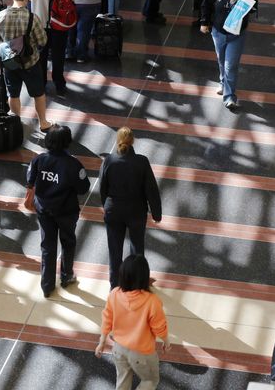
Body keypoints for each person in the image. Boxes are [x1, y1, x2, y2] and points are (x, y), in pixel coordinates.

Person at [25, 125, 90, 298]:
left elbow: (30, 180)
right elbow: (83, 188)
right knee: (68, 242)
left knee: (47, 245)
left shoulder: (38, 160)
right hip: (66, 211)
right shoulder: (73, 164)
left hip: (44, 210)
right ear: (67, 142)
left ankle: (47, 285)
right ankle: (67, 275)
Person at [94, 255, 171, 390]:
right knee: (151, 380)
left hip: (118, 349)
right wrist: (166, 341)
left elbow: (107, 319)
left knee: (122, 379)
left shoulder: (114, 294)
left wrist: (102, 342)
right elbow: (159, 327)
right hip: (142, 353)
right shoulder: (152, 301)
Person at [100, 127, 162, 290]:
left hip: (113, 210)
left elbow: (103, 188)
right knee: (136, 249)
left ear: (117, 140)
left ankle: (115, 285)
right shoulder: (141, 161)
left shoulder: (108, 160)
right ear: (132, 141)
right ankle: (137, 283)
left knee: (114, 250)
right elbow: (151, 189)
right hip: (136, 211)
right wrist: (157, 213)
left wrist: (105, 206)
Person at [0, 0, 51, 132]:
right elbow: (43, 41)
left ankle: (16, 121)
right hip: (31, 63)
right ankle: (43, 122)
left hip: (10, 64)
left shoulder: (0, 16)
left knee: (13, 94)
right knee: (38, 93)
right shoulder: (32, 18)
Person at [199, 0, 258, 111]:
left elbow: (255, 9)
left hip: (236, 36)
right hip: (218, 34)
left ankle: (230, 97)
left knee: (230, 65)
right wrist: (204, 22)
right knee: (221, 60)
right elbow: (206, 4)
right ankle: (223, 82)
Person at [28, 0, 73, 97]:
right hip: (58, 25)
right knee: (58, 55)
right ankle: (59, 85)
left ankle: (41, 84)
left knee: (41, 56)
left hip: (39, 25)